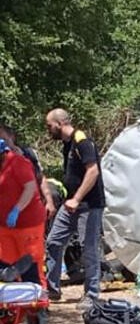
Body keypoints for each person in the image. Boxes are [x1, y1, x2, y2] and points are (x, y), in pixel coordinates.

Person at [44, 108, 106, 309]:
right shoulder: (67, 145)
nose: (48, 129)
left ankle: (92, 294)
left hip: (88, 205)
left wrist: (77, 199)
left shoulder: (81, 141)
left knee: (89, 249)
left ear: (60, 123)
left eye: (49, 125)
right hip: (70, 204)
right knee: (54, 241)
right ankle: (51, 289)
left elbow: (93, 171)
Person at [0, 138, 47, 288]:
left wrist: (16, 210)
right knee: (8, 265)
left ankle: (38, 303)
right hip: (5, 225)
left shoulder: (18, 163)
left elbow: (30, 188)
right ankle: (13, 305)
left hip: (28, 223)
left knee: (31, 263)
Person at [0, 123, 54, 218]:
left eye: (3, 139)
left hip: (31, 207)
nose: (2, 143)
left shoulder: (28, 153)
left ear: (12, 137)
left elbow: (40, 177)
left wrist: (49, 201)